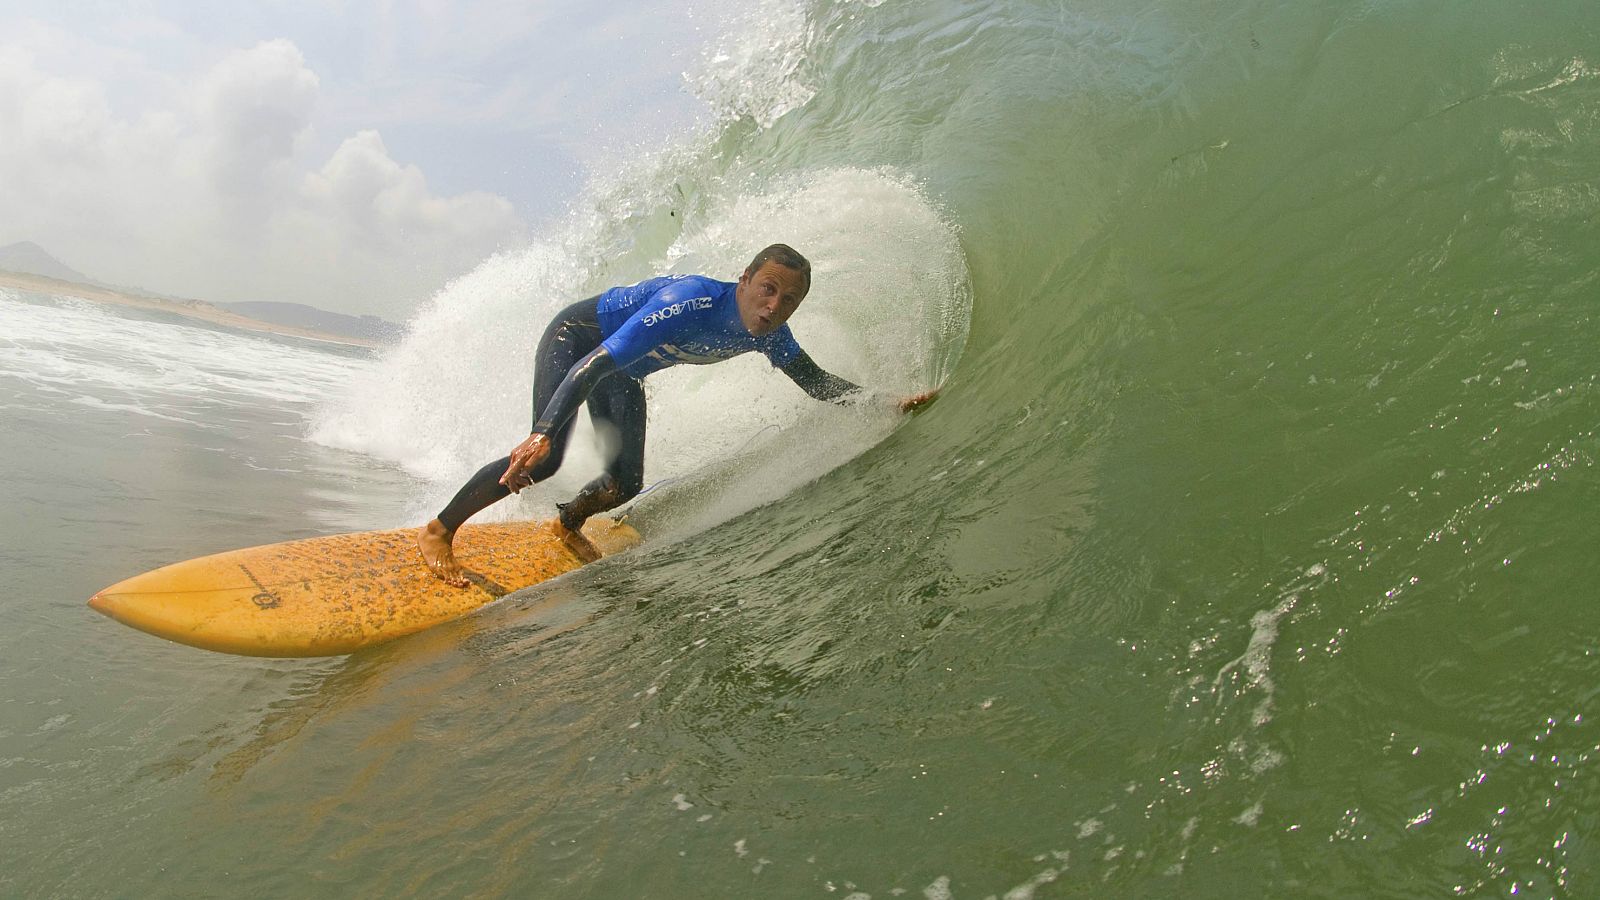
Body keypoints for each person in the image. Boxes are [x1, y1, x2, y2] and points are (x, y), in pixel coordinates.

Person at [416, 243, 938, 586]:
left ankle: (568, 524)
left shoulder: (772, 336)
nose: (775, 306)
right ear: (744, 280)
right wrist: (542, 432)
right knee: (544, 464)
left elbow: (817, 383)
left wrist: (881, 402)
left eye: (790, 299)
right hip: (580, 343)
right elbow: (596, 362)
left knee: (626, 485)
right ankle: (440, 529)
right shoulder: (689, 302)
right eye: (768, 289)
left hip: (619, 371)